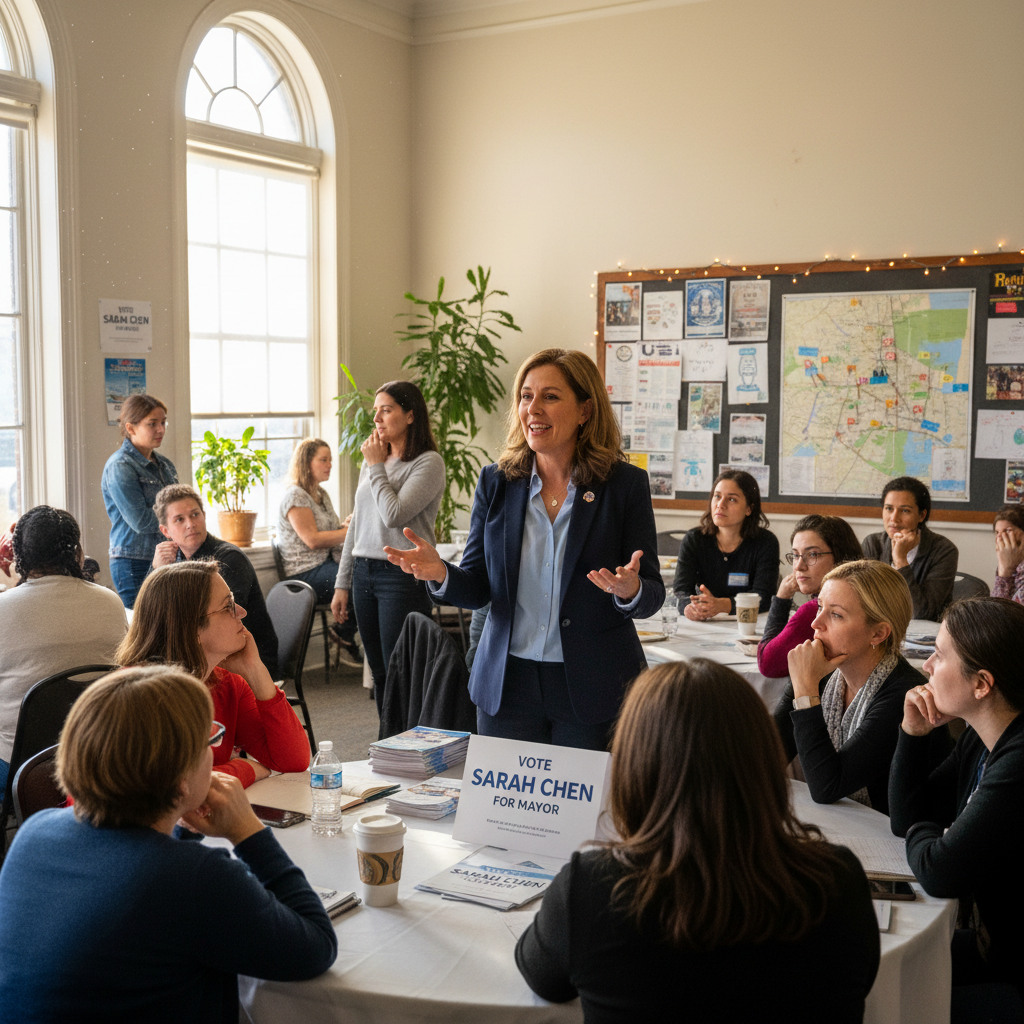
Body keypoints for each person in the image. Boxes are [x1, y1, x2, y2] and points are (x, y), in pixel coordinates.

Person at [515, 659, 880, 1021]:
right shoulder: (839, 882)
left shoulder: (591, 889)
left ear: (635, 766)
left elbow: (544, 979)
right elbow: (859, 983)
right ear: (762, 760)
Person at [0, 665, 336, 1021]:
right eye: (210, 741)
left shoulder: (35, 833)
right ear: (180, 778)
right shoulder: (192, 877)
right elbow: (316, 948)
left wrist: (178, 822)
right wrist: (248, 832)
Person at [382, 349, 664, 749]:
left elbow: (652, 593)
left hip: (592, 684)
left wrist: (630, 590)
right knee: (507, 810)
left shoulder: (623, 485)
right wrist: (441, 574)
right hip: (507, 685)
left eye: (550, 396)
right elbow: (479, 587)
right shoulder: (497, 482)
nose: (533, 408)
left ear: (585, 410)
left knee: (583, 810)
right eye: (526, 396)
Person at [890, 597, 1024, 1001]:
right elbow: (906, 818)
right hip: (995, 948)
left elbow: (939, 870)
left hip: (1013, 969)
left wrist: (928, 832)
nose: (926, 666)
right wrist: (913, 732)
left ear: (981, 684)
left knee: (896, 999)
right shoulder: (981, 738)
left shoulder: (1017, 760)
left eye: (938, 655)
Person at [115, 560, 310, 786]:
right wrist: (244, 767)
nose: (241, 612)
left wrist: (255, 670)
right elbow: (176, 789)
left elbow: (293, 760)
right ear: (191, 628)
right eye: (228, 606)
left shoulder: (226, 682)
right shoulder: (139, 694)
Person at [773, 559, 943, 814]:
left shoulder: (902, 695)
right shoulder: (822, 672)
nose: (816, 623)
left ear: (878, 634)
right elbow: (766, 757)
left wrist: (805, 691)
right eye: (820, 606)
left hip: (898, 840)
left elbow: (827, 786)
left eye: (836, 614)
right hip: (845, 823)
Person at [331, 381, 446, 715]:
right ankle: (386, 747)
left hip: (401, 575)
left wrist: (376, 467)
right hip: (364, 572)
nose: (377, 418)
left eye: (387, 409)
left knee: (403, 673)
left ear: (410, 415)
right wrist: (342, 582)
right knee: (380, 673)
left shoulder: (428, 463)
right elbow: (358, 525)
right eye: (375, 411)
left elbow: (394, 515)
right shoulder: (375, 460)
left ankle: (409, 750)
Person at [0, 506, 127, 792]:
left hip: (19, 769)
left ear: (20, 558)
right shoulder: (110, 603)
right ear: (78, 554)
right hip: (94, 755)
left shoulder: (2, 611)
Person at [153, 484, 279, 678]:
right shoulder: (172, 560)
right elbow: (154, 615)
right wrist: (158, 571)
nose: (190, 524)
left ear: (204, 515)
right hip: (211, 653)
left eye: (195, 515)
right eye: (179, 519)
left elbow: (217, 622)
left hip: (247, 659)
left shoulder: (228, 558)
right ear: (166, 531)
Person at [276, 438, 360, 665]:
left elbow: (330, 532)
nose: (329, 464)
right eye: (323, 460)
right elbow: (312, 540)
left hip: (326, 564)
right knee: (358, 581)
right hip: (304, 572)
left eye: (330, 460)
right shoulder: (295, 496)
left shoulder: (320, 493)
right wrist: (349, 533)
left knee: (366, 574)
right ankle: (343, 635)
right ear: (306, 463)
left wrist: (346, 525)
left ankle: (345, 635)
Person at [757, 514, 863, 678]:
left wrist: (781, 600)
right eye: (795, 555)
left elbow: (767, 663)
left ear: (840, 557)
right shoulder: (861, 593)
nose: (799, 566)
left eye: (812, 554)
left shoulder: (818, 610)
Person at [101, 394, 179, 608]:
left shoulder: (165, 465)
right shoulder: (120, 466)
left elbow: (178, 506)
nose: (161, 429)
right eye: (152, 424)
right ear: (131, 428)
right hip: (133, 560)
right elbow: (141, 521)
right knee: (142, 630)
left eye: (163, 422)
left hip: (167, 556)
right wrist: (177, 519)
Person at [672, 469, 779, 619]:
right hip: (704, 622)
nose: (720, 505)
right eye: (717, 496)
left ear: (749, 508)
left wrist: (722, 605)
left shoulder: (766, 542)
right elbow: (680, 591)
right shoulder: (694, 539)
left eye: (732, 499)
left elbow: (764, 597)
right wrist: (690, 608)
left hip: (749, 623)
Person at [861, 475, 958, 620]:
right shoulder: (873, 544)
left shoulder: (943, 550)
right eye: (888, 509)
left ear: (921, 515)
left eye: (905, 510)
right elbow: (863, 602)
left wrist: (900, 561)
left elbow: (920, 613)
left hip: (922, 639)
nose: (894, 519)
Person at [990, 503, 1024, 604]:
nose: (1000, 538)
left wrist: (1006, 571)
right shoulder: (1009, 562)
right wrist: (1004, 572)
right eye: (997, 532)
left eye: (1008, 531)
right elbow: (995, 612)